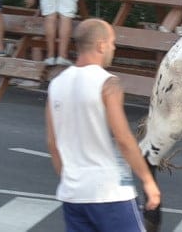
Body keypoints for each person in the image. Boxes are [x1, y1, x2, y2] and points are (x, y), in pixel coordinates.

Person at [45, 19, 161, 231]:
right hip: (110, 191)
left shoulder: (56, 84)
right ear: (100, 45)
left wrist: (71, 180)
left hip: (73, 193)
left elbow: (53, 143)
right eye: (112, 42)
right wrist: (148, 180)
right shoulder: (108, 83)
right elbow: (124, 139)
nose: (114, 48)